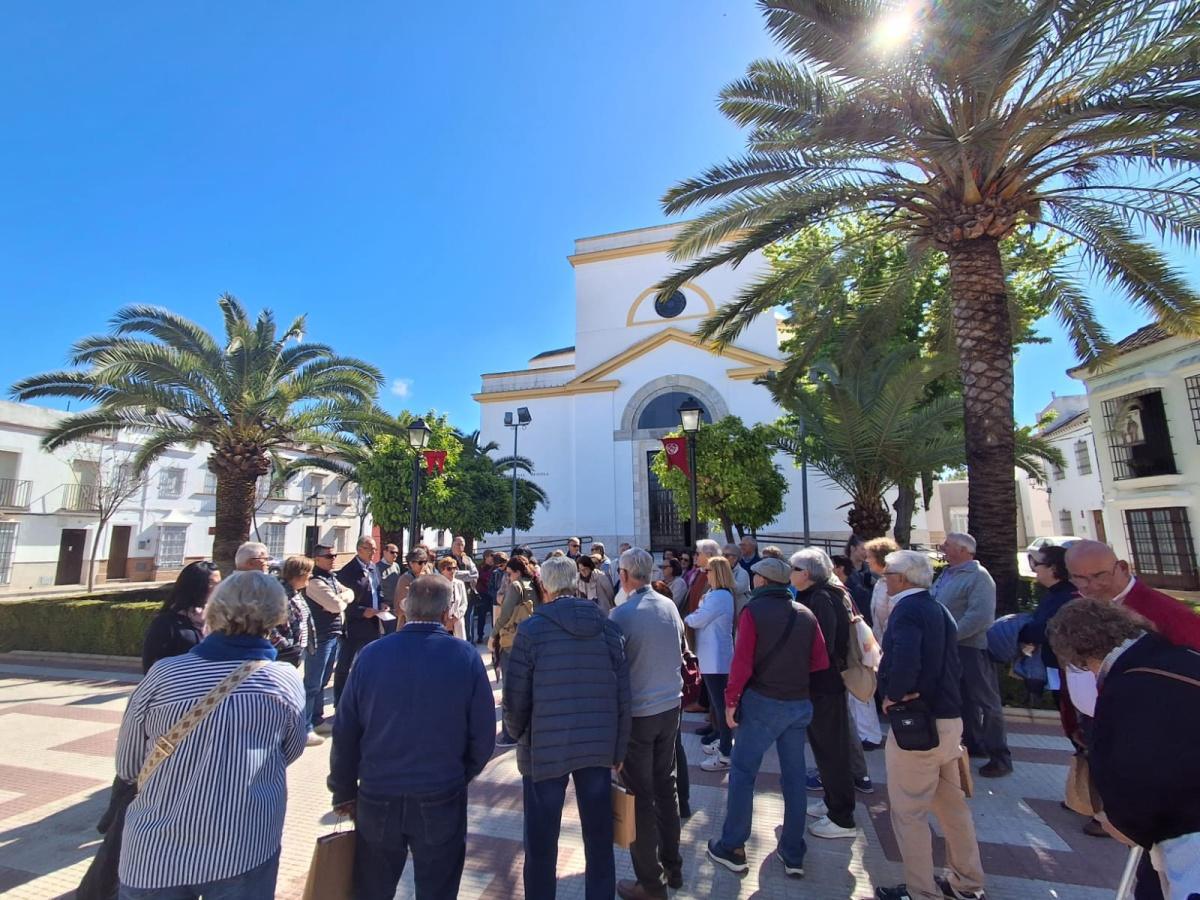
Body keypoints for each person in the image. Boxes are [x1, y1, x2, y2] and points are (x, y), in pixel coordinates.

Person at [115, 572, 306, 900]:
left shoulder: (163, 675)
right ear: (276, 616)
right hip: (243, 845)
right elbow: (290, 750)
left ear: (214, 609)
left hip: (154, 851)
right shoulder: (283, 680)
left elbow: (128, 766)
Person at [329, 575, 496, 900]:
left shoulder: (371, 655)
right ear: (449, 611)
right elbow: (484, 734)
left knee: (372, 888)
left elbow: (346, 728)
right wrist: (459, 774)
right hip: (439, 791)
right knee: (438, 887)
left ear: (405, 607)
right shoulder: (464, 656)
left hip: (379, 791)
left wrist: (343, 789)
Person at [1065, 538, 1200, 895]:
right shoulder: (1079, 608)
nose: (1090, 586)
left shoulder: (1165, 612)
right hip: (1109, 732)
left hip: (1165, 759)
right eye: (1079, 579)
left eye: (1098, 576)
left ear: (1122, 567)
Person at [503, 556, 632, 900]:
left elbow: (516, 696)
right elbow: (623, 693)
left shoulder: (531, 630)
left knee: (541, 841)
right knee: (599, 837)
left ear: (544, 586)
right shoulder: (608, 627)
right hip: (596, 747)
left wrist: (516, 734)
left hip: (544, 748)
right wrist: (618, 749)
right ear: (576, 582)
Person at [706, 556, 830, 879]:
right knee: (794, 778)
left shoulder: (753, 612)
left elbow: (742, 661)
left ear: (761, 581)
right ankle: (792, 851)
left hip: (762, 703)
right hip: (798, 703)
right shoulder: (806, 614)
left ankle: (732, 844)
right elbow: (819, 662)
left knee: (744, 772)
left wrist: (731, 701)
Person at [875, 550, 984, 900]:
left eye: (888, 573)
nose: (884, 579)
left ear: (903, 578)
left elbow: (906, 656)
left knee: (909, 813)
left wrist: (893, 694)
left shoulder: (907, 611)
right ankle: (967, 884)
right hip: (949, 720)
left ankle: (921, 891)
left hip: (919, 726)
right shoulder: (938, 608)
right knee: (953, 808)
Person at [609, 548, 685, 900]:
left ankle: (650, 884)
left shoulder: (621, 616)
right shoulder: (668, 604)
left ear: (624, 576)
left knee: (638, 796)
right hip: (671, 706)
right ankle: (673, 864)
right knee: (665, 786)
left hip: (640, 715)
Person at [789, 549, 862, 839]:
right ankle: (833, 802)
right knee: (824, 747)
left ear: (806, 573)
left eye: (793, 568)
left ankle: (842, 817)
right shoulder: (821, 594)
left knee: (832, 748)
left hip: (824, 685)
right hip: (821, 684)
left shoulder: (821, 598)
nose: (790, 573)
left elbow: (823, 646)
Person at [931, 532, 1012, 777]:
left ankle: (1000, 756)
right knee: (962, 698)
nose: (943, 548)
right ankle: (974, 744)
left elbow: (979, 617)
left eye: (948, 545)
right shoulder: (946, 574)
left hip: (973, 648)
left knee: (986, 701)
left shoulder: (979, 577)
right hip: (952, 649)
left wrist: (950, 636)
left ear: (964, 550)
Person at [685, 555, 735, 771]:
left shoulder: (720, 596)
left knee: (720, 704)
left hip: (717, 659)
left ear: (719, 573)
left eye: (709, 570)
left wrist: (687, 619)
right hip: (711, 656)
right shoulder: (716, 595)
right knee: (716, 704)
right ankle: (722, 739)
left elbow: (698, 618)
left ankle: (725, 753)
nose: (705, 574)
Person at [333, 536, 390, 710]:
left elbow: (376, 590)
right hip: (353, 626)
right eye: (369, 548)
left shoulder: (373, 568)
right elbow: (342, 601)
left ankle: (367, 700)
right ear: (359, 549)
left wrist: (382, 603)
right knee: (344, 666)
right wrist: (361, 612)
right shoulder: (347, 572)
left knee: (371, 663)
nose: (373, 552)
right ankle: (341, 703)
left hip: (372, 624)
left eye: (374, 548)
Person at [304, 545, 353, 741]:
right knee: (312, 683)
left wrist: (340, 599)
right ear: (316, 558)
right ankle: (305, 726)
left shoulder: (331, 578)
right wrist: (339, 601)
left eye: (335, 555)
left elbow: (349, 593)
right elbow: (335, 605)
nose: (333, 558)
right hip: (320, 637)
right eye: (329, 556)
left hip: (334, 635)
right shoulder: (315, 581)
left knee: (323, 680)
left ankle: (317, 719)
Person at [494, 555, 542, 747]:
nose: (507, 577)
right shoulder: (534, 584)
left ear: (517, 572)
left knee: (510, 688)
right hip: (531, 641)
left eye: (509, 573)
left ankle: (509, 734)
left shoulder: (516, 586)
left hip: (512, 641)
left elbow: (505, 613)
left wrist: (494, 634)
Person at [141, 561, 220, 673]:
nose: (217, 589)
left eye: (219, 583)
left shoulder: (219, 619)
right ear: (196, 586)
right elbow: (151, 666)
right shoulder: (166, 623)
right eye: (212, 583)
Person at [270, 555, 314, 668]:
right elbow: (269, 626)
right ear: (300, 573)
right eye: (309, 572)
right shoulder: (279, 594)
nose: (311, 575)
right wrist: (286, 647)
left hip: (297, 651)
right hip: (284, 655)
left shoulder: (296, 593)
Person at [864, 537, 901, 646]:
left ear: (881, 558)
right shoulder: (880, 582)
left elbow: (892, 619)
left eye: (870, 557)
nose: (867, 560)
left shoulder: (894, 584)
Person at [390, 548, 429, 626]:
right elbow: (406, 604)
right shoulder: (405, 579)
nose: (423, 565)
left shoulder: (428, 577)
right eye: (420, 562)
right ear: (411, 563)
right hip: (408, 623)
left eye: (425, 562)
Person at [844, 535, 875, 628]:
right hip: (852, 622)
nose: (866, 553)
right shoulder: (842, 570)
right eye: (863, 549)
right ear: (853, 548)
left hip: (871, 622)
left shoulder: (872, 569)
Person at [436, 555, 470, 640]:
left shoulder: (459, 583)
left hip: (457, 621)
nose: (452, 571)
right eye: (449, 569)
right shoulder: (437, 584)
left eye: (454, 568)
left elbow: (464, 603)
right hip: (442, 622)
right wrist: (446, 620)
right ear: (442, 571)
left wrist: (454, 618)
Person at [472, 550, 497, 644]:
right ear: (486, 557)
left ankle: (493, 637)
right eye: (491, 556)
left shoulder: (495, 567)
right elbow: (477, 578)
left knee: (494, 616)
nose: (492, 558)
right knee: (481, 616)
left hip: (492, 594)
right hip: (483, 594)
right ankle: (480, 636)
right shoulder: (480, 567)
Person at [722, 543, 752, 617]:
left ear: (735, 558)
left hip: (738, 614)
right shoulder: (721, 571)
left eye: (726, 555)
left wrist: (726, 572)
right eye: (722, 554)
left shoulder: (743, 573)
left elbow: (737, 590)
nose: (722, 557)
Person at [375, 544, 402, 613]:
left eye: (397, 553)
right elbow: (376, 588)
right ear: (385, 552)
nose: (395, 555)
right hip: (384, 607)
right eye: (392, 552)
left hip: (395, 606)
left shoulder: (396, 566)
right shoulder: (377, 568)